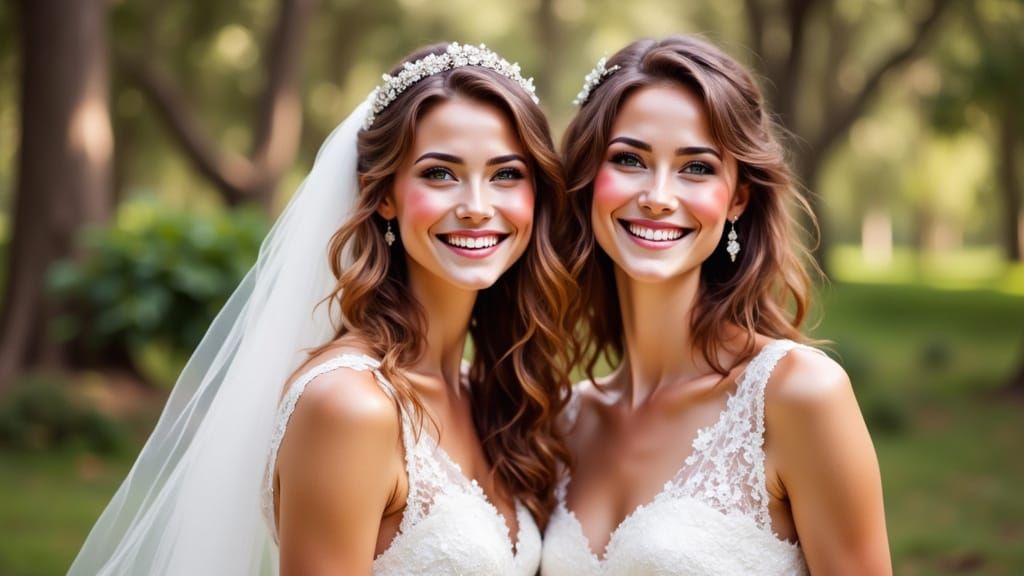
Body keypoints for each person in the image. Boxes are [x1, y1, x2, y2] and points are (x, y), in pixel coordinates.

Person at [69, 42, 572, 576]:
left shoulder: (487, 395)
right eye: (439, 174)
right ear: (383, 195)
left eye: (506, 174)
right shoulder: (350, 406)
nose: (476, 206)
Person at [541, 36, 891, 575]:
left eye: (697, 167)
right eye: (629, 159)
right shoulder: (566, 421)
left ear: (737, 198)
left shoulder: (797, 396)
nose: (658, 195)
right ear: (587, 182)